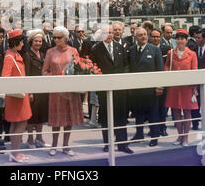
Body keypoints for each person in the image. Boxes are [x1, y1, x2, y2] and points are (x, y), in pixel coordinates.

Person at [90, 26, 133, 154]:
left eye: (110, 32)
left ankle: (122, 144)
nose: (109, 35)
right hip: (104, 89)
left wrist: (121, 80)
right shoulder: (96, 49)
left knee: (120, 116)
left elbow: (126, 66)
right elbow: (93, 67)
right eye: (105, 33)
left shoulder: (120, 47)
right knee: (105, 116)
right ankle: (108, 144)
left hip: (119, 88)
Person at [42, 26, 84, 157]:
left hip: (71, 91)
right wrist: (55, 79)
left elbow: (79, 69)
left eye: (59, 37)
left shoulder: (73, 50)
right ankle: (54, 145)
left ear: (65, 38)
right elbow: (44, 71)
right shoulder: (49, 52)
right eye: (54, 37)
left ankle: (66, 146)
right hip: (56, 91)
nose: (56, 40)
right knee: (56, 120)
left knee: (69, 119)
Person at [129, 27, 164, 147]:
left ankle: (154, 137)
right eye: (140, 35)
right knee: (138, 114)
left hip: (151, 90)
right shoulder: (132, 50)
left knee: (153, 114)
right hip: (137, 89)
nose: (143, 37)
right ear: (135, 37)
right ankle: (139, 134)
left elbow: (160, 69)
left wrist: (159, 86)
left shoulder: (154, 49)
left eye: (145, 34)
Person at [2, 29, 32, 163]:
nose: (23, 44)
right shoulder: (10, 57)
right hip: (16, 96)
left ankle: (15, 151)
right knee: (20, 123)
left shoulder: (13, 55)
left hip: (19, 95)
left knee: (17, 123)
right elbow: (5, 77)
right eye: (21, 42)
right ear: (16, 42)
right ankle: (15, 152)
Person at [165, 29, 199, 147]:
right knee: (176, 112)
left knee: (187, 112)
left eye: (182, 38)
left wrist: (194, 88)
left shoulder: (192, 54)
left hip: (187, 87)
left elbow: (195, 70)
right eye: (178, 38)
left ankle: (186, 137)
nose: (180, 41)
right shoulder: (170, 53)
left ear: (186, 40)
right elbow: (166, 67)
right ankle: (180, 135)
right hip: (174, 87)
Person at [23, 29, 49, 149]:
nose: (38, 43)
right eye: (36, 41)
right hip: (33, 90)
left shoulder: (43, 55)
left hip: (43, 89)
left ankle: (39, 137)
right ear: (31, 42)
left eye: (40, 41)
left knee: (41, 115)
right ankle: (30, 139)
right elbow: (26, 75)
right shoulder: (27, 56)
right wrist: (30, 92)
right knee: (32, 116)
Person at [149, 28, 171, 136]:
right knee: (152, 109)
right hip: (151, 83)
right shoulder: (147, 48)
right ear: (150, 37)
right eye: (153, 36)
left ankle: (163, 128)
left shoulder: (167, 49)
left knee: (163, 108)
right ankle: (153, 129)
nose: (155, 39)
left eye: (157, 36)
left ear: (161, 37)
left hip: (164, 82)